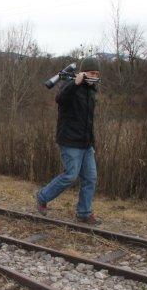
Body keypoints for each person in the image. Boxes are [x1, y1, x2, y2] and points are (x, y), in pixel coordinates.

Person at [37, 58, 102, 225]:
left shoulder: (91, 91)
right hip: (70, 140)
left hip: (86, 144)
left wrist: (92, 143)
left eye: (97, 73)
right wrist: (75, 84)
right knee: (71, 175)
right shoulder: (71, 85)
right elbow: (60, 99)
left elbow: (89, 121)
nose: (94, 76)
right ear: (83, 72)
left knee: (90, 178)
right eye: (91, 73)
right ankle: (42, 197)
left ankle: (84, 213)